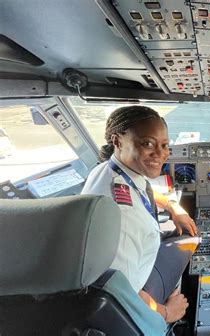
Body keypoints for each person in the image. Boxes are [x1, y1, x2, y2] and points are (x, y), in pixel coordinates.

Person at [81, 106, 199, 323]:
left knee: (179, 229)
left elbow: (144, 189)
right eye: (147, 143)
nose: (160, 154)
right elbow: (119, 293)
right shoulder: (125, 218)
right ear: (118, 141)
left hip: (121, 267)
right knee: (190, 238)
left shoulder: (109, 171)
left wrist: (174, 207)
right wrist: (166, 313)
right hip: (134, 293)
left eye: (164, 146)